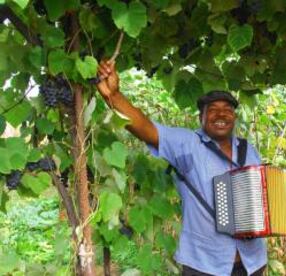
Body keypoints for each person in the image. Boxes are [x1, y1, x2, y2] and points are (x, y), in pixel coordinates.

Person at [96, 61, 267, 276]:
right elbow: (146, 128)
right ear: (201, 118)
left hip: (253, 261)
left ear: (234, 117)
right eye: (212, 110)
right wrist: (114, 95)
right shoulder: (187, 144)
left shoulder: (249, 150)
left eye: (227, 110)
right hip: (204, 265)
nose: (221, 115)